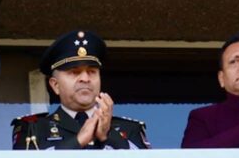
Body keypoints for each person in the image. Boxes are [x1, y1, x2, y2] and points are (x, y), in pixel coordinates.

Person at [12, 30, 149, 150]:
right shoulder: (33, 129)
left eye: (92, 72)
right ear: (55, 85)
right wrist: (78, 141)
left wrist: (109, 135)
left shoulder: (130, 129)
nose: (85, 78)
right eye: (74, 72)